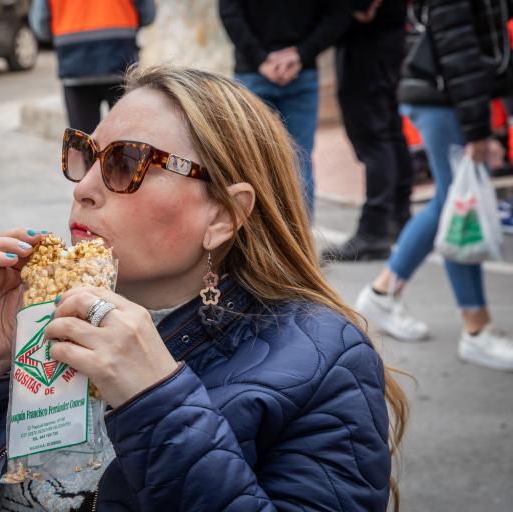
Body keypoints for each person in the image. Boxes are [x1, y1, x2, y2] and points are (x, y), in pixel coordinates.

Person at [0, 65, 407, 512]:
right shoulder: (39, 318)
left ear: (223, 214)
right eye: (86, 155)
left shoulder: (325, 361)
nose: (83, 187)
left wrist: (156, 400)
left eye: (126, 163)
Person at [355, 0, 513, 369]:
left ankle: (383, 291)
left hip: (447, 98)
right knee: (461, 207)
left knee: (449, 202)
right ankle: (476, 330)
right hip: (444, 101)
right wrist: (477, 130)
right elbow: (457, 49)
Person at [219, 0, 352, 216]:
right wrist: (300, 55)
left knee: (248, 159)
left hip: (259, 71)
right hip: (293, 71)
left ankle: (253, 240)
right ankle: (300, 243)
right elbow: (337, 14)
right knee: (298, 161)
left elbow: (230, 13)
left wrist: (263, 60)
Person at [322, 0, 414, 261]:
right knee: (387, 130)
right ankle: (398, 216)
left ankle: (375, 230)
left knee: (374, 136)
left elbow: (363, 10)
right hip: (380, 37)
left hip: (368, 41)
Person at [29, 0, 155, 133]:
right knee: (127, 143)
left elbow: (41, 26)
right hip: (121, 63)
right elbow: (148, 14)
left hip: (74, 66)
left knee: (84, 146)